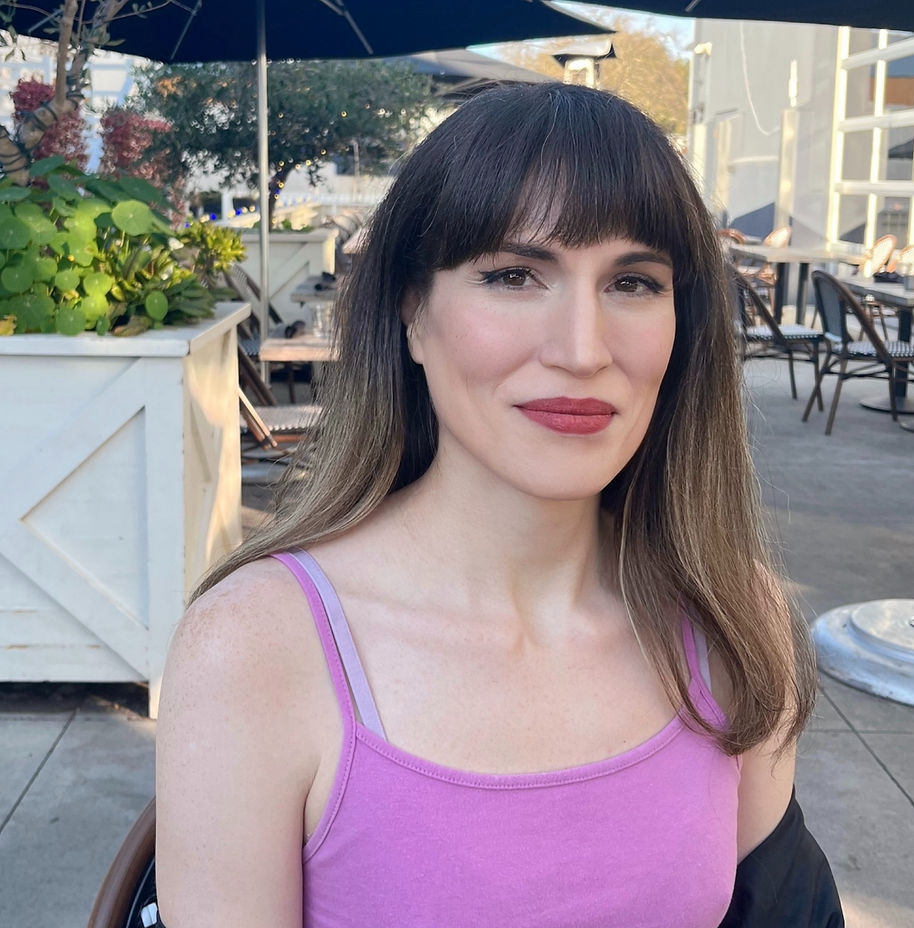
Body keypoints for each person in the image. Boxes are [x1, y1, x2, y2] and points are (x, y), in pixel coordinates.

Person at [156, 83, 837, 927]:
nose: (583, 350)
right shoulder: (255, 651)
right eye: (514, 275)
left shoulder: (740, 619)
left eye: (632, 282)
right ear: (412, 314)